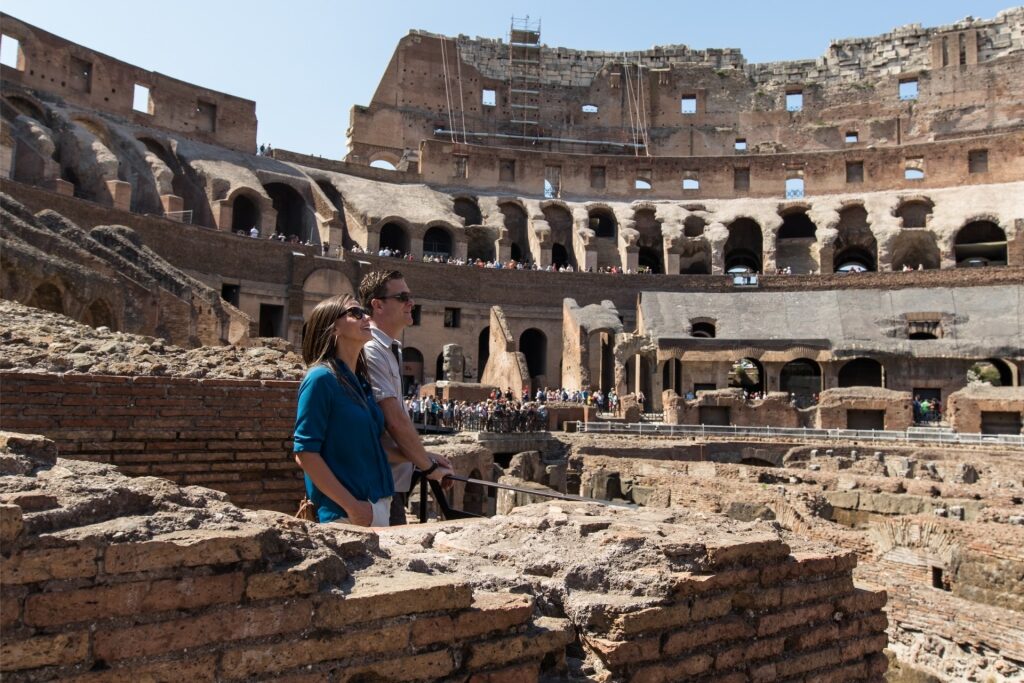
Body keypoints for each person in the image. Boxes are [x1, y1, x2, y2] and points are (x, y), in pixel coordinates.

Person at [360, 270, 453, 525]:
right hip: (378, 484)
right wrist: (428, 467)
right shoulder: (371, 350)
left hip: (393, 479)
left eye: (409, 296)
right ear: (377, 305)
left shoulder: (391, 349)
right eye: (402, 297)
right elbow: (394, 421)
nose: (411, 303)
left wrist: (423, 455)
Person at [292, 294, 394, 526]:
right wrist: (352, 506)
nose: (366, 317)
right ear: (333, 327)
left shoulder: (360, 382)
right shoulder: (320, 379)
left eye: (364, 312)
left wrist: (424, 459)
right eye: (355, 313)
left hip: (375, 504)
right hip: (344, 513)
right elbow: (305, 453)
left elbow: (372, 444)